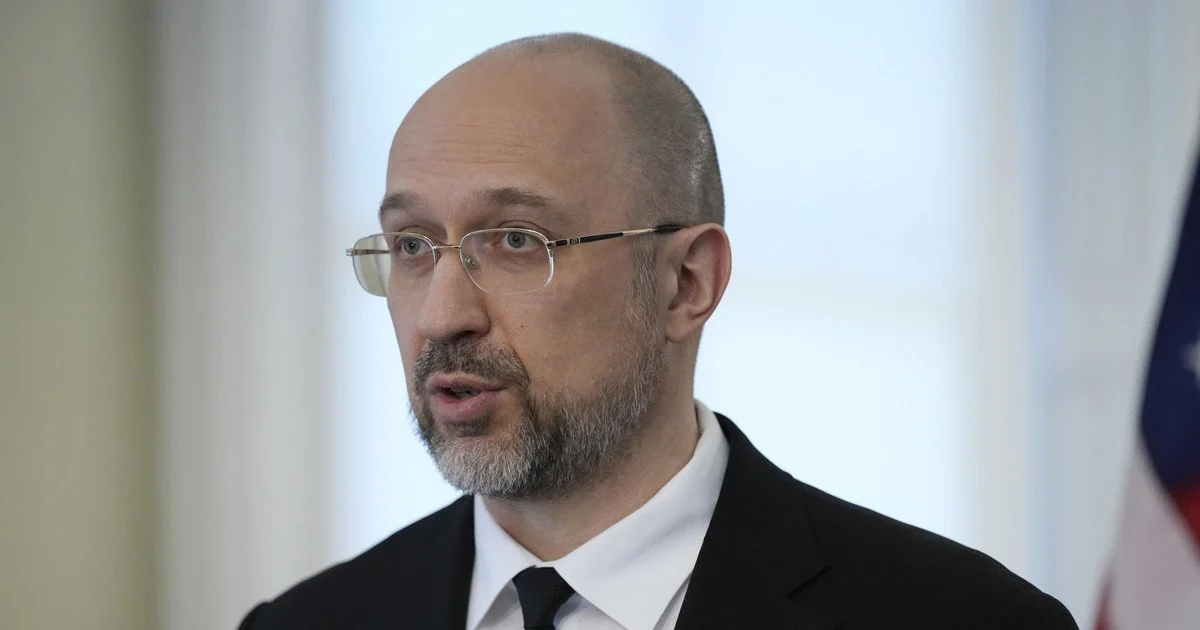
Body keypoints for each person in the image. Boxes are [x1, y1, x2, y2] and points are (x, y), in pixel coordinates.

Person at [239, 33, 1078, 630]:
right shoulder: (306, 623)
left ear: (687, 283)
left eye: (518, 242)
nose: (441, 314)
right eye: (413, 247)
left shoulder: (963, 618)